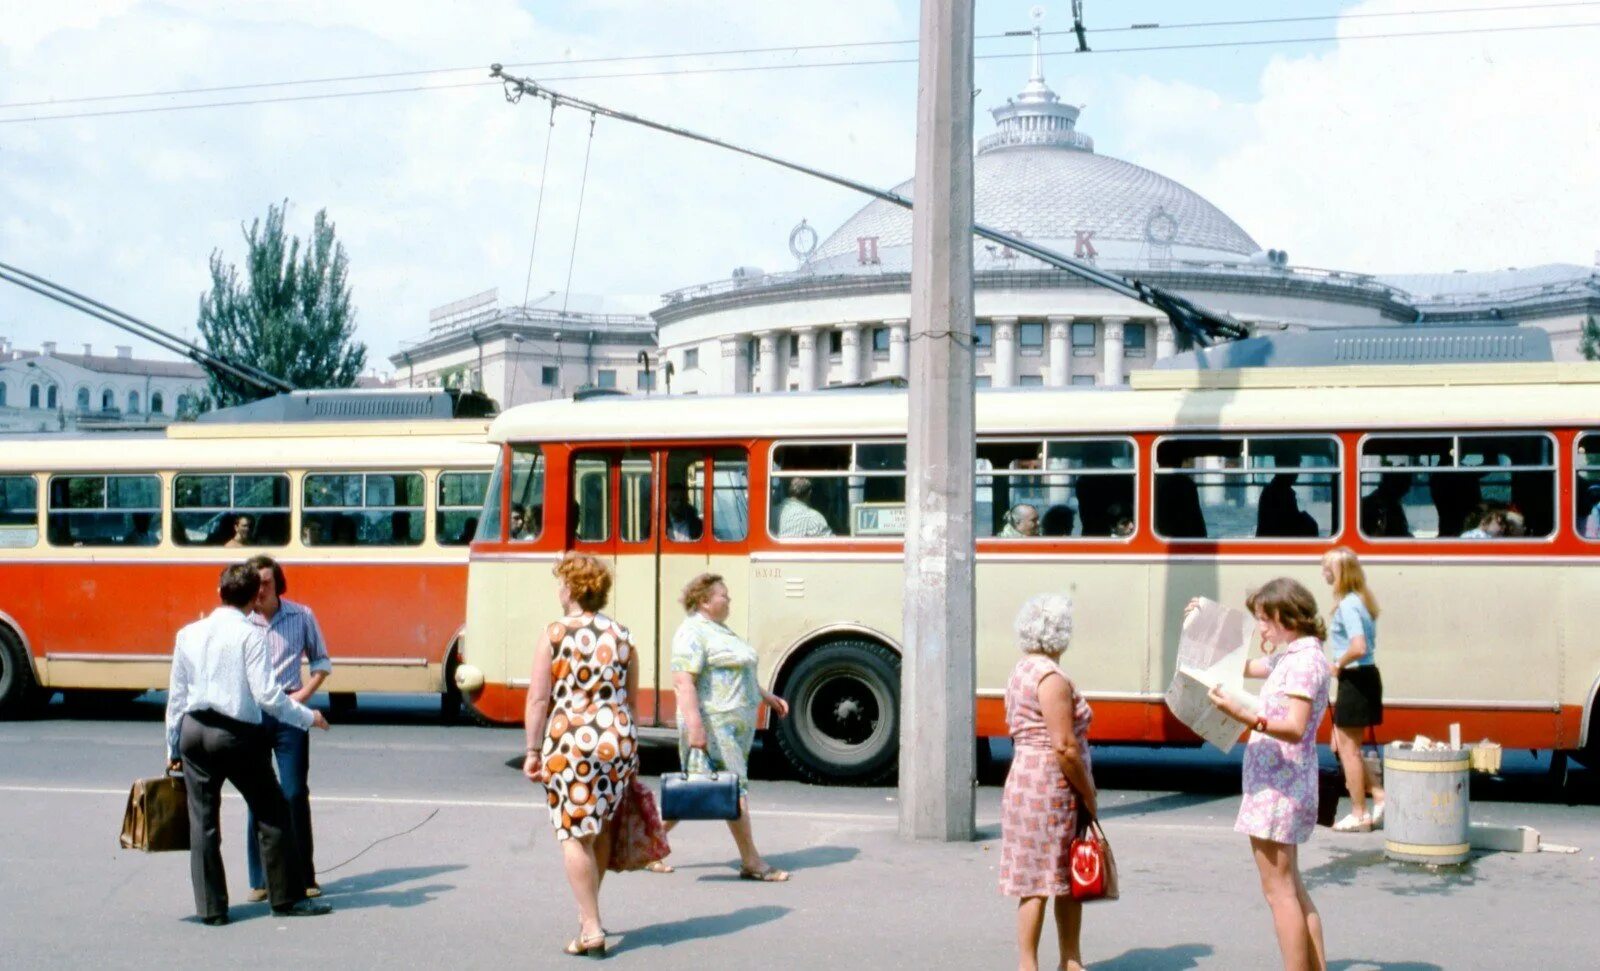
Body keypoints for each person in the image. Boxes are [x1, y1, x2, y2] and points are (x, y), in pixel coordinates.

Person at [163, 563, 332, 925]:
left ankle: (212, 909)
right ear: (255, 599)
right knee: (273, 812)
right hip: (236, 734)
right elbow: (268, 696)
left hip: (194, 731)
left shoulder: (188, 633)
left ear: (218, 591)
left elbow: (176, 698)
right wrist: (308, 717)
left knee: (203, 821)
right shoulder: (250, 636)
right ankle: (285, 899)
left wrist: (172, 749)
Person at [1201, 579, 1331, 971]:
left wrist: (1246, 717)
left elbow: (1294, 725)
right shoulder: (1296, 656)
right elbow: (1238, 666)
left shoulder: (1303, 662)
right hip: (1283, 781)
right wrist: (1203, 620)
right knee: (1292, 888)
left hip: (1279, 785)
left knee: (1280, 894)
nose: (1260, 629)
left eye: (1264, 619)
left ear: (1287, 617)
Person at [524, 552, 639, 958]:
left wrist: (532, 750)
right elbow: (630, 698)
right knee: (600, 828)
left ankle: (590, 927)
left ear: (570, 589)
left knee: (573, 834)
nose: (559, 589)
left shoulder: (554, 633)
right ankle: (587, 913)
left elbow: (539, 699)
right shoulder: (623, 635)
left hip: (571, 742)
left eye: (560, 583)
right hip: (617, 740)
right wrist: (631, 745)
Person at [649, 573, 791, 880]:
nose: (729, 600)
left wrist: (768, 698)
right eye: (724, 595)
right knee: (734, 788)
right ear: (705, 600)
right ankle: (751, 861)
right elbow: (683, 680)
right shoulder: (692, 632)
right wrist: (696, 726)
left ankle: (648, 843)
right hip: (713, 726)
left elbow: (741, 675)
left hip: (734, 730)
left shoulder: (721, 632)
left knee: (699, 789)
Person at [999, 593, 1096, 971]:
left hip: (1025, 778)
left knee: (1045, 877)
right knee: (1045, 879)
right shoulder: (1051, 678)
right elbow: (1065, 747)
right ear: (1062, 634)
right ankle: (1047, 963)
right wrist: (1088, 793)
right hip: (1050, 786)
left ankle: (1063, 962)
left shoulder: (1022, 669)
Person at [242, 555, 334, 903]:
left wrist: (303, 696)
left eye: (266, 582)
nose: (261, 589)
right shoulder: (242, 622)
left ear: (277, 583)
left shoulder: (301, 615)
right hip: (252, 714)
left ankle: (304, 874)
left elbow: (322, 662)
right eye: (256, 583)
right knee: (257, 795)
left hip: (290, 713)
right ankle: (261, 877)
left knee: (294, 792)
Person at [1321, 548, 1386, 833]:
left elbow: (1358, 646)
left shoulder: (1348, 604)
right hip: (1364, 678)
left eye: (1327, 568)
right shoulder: (1361, 601)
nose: (1323, 573)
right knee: (1342, 745)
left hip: (1354, 678)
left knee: (1349, 751)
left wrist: (1338, 663)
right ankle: (1381, 797)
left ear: (1338, 573)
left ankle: (1359, 813)